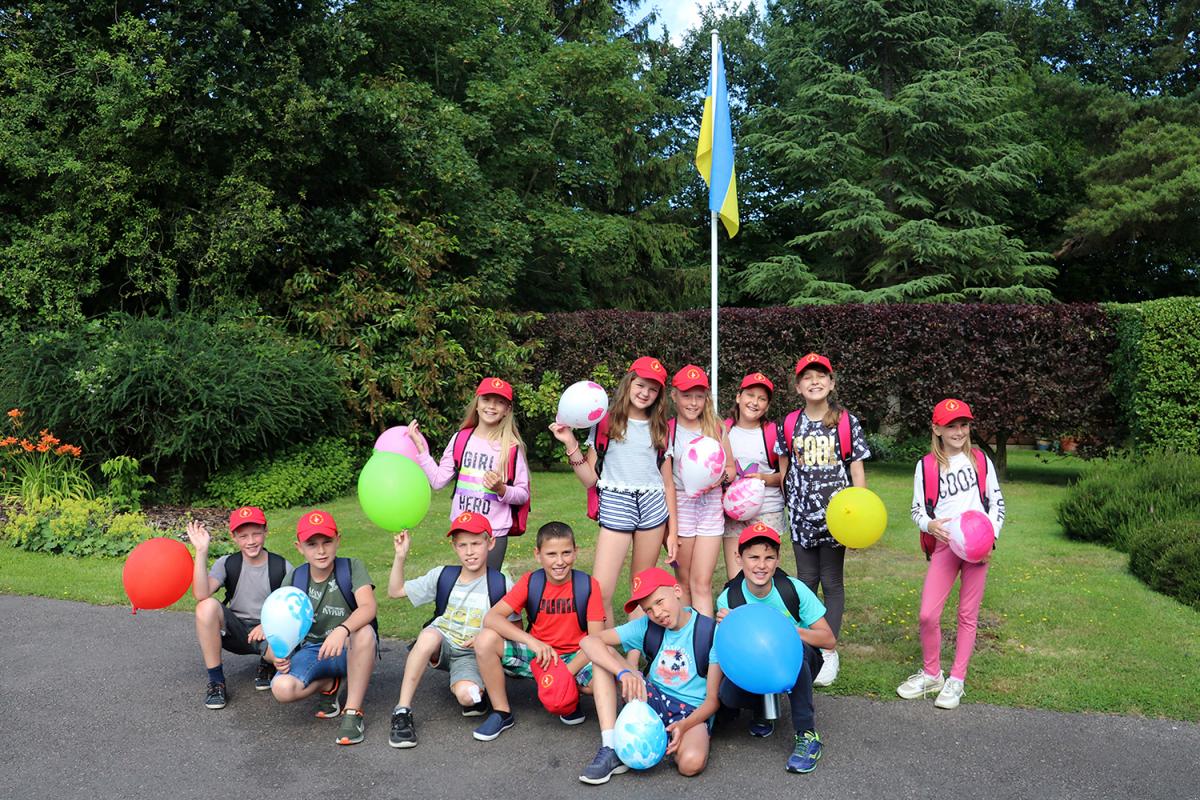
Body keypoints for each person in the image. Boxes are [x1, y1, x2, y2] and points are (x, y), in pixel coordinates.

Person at [549, 356, 677, 625]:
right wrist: (570, 442)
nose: (645, 393)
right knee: (601, 589)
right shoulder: (605, 423)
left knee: (642, 589)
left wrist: (673, 532)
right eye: (641, 385)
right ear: (629, 382)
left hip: (653, 505)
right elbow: (589, 480)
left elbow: (667, 483)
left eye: (653, 390)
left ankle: (634, 655)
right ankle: (603, 653)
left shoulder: (662, 428)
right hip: (616, 502)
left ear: (660, 395)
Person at [898, 398, 1005, 710]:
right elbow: (917, 510)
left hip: (978, 548)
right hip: (946, 545)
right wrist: (930, 525)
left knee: (967, 614)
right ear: (937, 428)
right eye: (951, 425)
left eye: (964, 424)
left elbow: (997, 504)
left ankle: (957, 679)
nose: (959, 431)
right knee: (927, 614)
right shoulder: (926, 466)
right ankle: (933, 674)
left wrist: (990, 538)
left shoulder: (981, 460)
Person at [577, 567, 723, 784]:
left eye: (660, 602)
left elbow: (712, 701)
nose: (657, 614)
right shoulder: (647, 626)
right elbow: (588, 641)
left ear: (676, 591)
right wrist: (624, 672)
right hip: (649, 698)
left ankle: (663, 739)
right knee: (601, 657)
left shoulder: (710, 631)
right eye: (648, 610)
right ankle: (611, 746)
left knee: (690, 764)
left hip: (690, 712)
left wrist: (683, 726)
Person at [776, 352, 870, 688]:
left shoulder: (845, 421)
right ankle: (805, 644)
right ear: (798, 386)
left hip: (837, 519)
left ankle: (828, 650)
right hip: (802, 518)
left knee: (831, 582)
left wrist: (860, 515)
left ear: (831, 383)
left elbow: (857, 469)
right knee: (805, 582)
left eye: (821, 376)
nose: (814, 381)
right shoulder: (789, 423)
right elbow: (785, 470)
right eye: (807, 377)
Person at [716, 522, 836, 774]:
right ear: (739, 558)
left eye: (769, 557)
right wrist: (731, 627)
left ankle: (807, 734)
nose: (761, 565)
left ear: (778, 559)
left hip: (796, 662)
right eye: (754, 557)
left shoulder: (793, 589)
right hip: (755, 665)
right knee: (727, 695)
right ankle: (762, 706)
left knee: (797, 651)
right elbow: (724, 650)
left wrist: (788, 631)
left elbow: (828, 639)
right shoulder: (729, 599)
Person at [386, 511, 512, 748]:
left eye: (476, 543)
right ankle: (402, 710)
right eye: (462, 545)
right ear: (454, 547)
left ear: (491, 542)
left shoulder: (501, 583)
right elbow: (395, 591)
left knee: (468, 697)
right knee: (428, 635)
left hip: (473, 654)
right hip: (441, 644)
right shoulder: (443, 575)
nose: (470, 551)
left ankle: (477, 695)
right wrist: (400, 556)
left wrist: (486, 637)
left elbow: (514, 627)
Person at [471, 521, 605, 741]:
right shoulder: (531, 581)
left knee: (600, 680)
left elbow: (596, 639)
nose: (559, 561)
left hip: (577, 655)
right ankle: (501, 712)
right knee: (485, 640)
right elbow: (492, 617)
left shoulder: (588, 585)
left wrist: (564, 675)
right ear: (537, 554)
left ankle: (571, 701)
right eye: (551, 554)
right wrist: (531, 642)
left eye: (566, 553)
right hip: (539, 654)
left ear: (576, 552)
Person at [266, 509, 378, 745]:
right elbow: (281, 620)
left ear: (338, 540)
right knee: (281, 688)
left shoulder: (351, 567)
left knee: (365, 631)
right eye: (312, 544)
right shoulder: (296, 577)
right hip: (313, 650)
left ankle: (352, 712)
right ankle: (330, 684)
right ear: (299, 547)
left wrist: (342, 630)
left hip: (350, 648)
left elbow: (368, 607)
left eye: (327, 542)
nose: (321, 550)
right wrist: (279, 654)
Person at [406, 377, 530, 570]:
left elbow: (523, 495)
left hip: (493, 532)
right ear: (477, 404)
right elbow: (438, 481)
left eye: (499, 402)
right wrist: (421, 449)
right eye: (486, 399)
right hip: (463, 528)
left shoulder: (511, 447)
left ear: (507, 410)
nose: (492, 406)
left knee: (489, 589)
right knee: (468, 587)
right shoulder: (460, 439)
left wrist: (501, 488)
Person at [186, 506, 293, 710]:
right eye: (243, 536)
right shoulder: (227, 563)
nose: (251, 541)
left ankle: (268, 663)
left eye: (256, 534)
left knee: (284, 660)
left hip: (270, 631)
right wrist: (201, 552)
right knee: (205, 606)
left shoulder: (281, 566)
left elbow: (292, 607)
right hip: (237, 631)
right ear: (233, 536)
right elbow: (201, 593)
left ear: (265, 531)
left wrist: (269, 624)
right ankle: (216, 681)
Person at [668, 364, 735, 615]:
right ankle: (686, 642)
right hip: (682, 506)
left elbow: (731, 468)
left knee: (702, 583)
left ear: (706, 398)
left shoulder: (716, 428)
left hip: (710, 506)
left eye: (699, 396)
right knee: (684, 582)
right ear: (674, 395)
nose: (693, 402)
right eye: (687, 395)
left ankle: (704, 644)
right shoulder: (668, 430)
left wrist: (717, 478)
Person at [722, 371, 787, 579]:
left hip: (766, 510)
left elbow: (785, 476)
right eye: (750, 395)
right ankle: (740, 611)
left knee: (763, 574)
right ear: (738, 397)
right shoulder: (722, 430)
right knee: (736, 576)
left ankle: (767, 612)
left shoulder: (773, 433)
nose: (755, 402)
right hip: (733, 513)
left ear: (767, 405)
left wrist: (764, 479)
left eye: (762, 399)